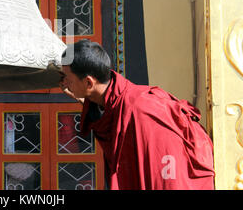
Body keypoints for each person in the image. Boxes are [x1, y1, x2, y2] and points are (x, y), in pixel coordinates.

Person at [59, 39, 215, 190]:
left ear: (88, 83)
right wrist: (88, 99)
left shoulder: (143, 110)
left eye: (68, 78)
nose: (65, 83)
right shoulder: (113, 105)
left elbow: (166, 175)